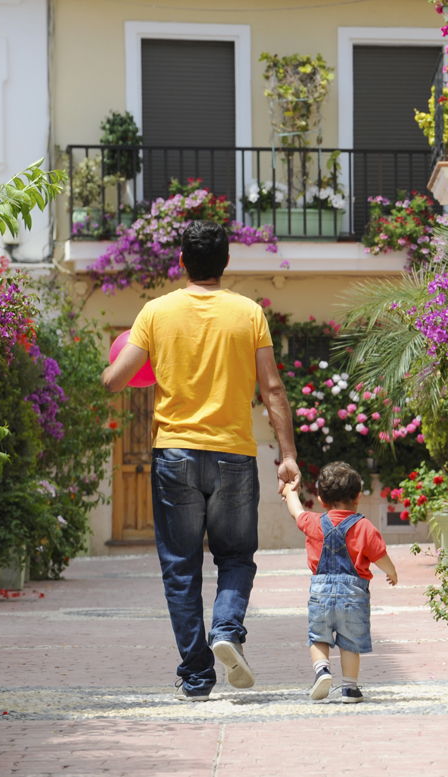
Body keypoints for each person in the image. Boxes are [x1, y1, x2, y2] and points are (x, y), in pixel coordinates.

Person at [102, 220, 300, 701]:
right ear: (226, 262)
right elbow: (272, 387)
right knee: (235, 557)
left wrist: (116, 361)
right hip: (233, 454)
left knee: (181, 566)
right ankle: (227, 630)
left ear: (182, 262)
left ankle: (195, 675)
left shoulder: (156, 312)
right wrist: (289, 455)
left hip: (175, 454)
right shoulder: (249, 312)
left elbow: (115, 380)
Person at [281, 461, 397, 703]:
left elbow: (296, 511)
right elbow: (379, 555)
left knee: (318, 637)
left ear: (322, 500)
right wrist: (391, 571)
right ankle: (350, 689)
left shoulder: (313, 522)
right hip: (353, 595)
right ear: (357, 497)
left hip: (320, 594)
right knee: (350, 643)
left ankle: (322, 669)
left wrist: (290, 491)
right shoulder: (364, 526)